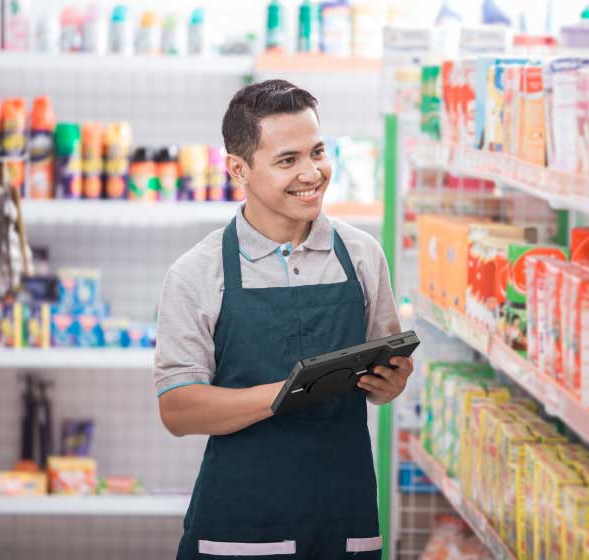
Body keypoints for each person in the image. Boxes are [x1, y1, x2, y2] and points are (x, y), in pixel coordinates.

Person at [154, 79, 414, 559]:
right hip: (241, 524)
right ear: (239, 169)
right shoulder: (197, 272)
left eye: (318, 151)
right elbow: (178, 409)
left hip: (345, 517)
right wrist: (291, 391)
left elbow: (385, 381)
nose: (311, 173)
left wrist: (390, 382)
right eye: (287, 160)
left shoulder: (360, 255)